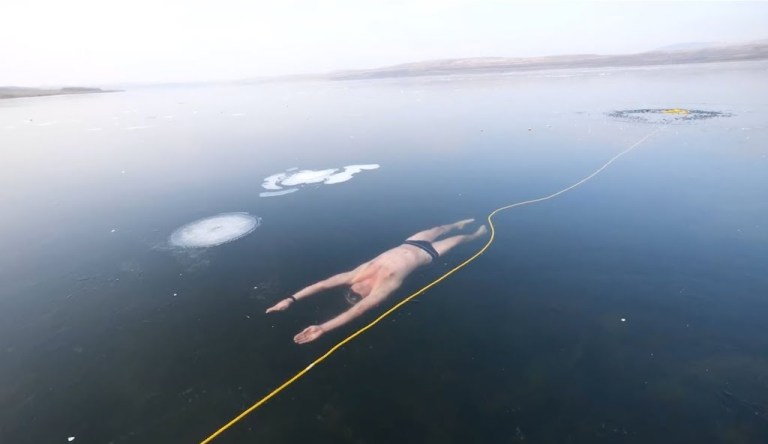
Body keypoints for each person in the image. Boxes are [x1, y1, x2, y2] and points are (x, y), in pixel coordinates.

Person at [266, 219, 487, 344]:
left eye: (351, 291)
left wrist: (290, 299)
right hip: (427, 255)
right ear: (364, 296)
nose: (355, 291)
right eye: (357, 295)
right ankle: (475, 236)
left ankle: (457, 224)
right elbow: (356, 312)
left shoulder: (355, 275)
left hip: (410, 243)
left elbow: (322, 284)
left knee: (438, 229)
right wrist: (323, 328)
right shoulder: (382, 289)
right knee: (458, 240)